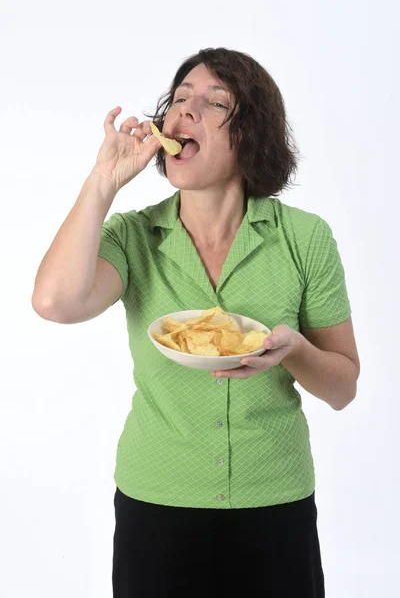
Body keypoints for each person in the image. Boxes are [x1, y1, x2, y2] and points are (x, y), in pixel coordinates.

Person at [32, 47, 360, 597]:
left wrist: (295, 349)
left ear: (251, 134)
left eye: (214, 102)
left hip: (273, 503)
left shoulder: (306, 238)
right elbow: (55, 302)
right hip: (157, 504)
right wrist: (103, 181)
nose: (185, 111)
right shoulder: (132, 237)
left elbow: (344, 387)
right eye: (180, 98)